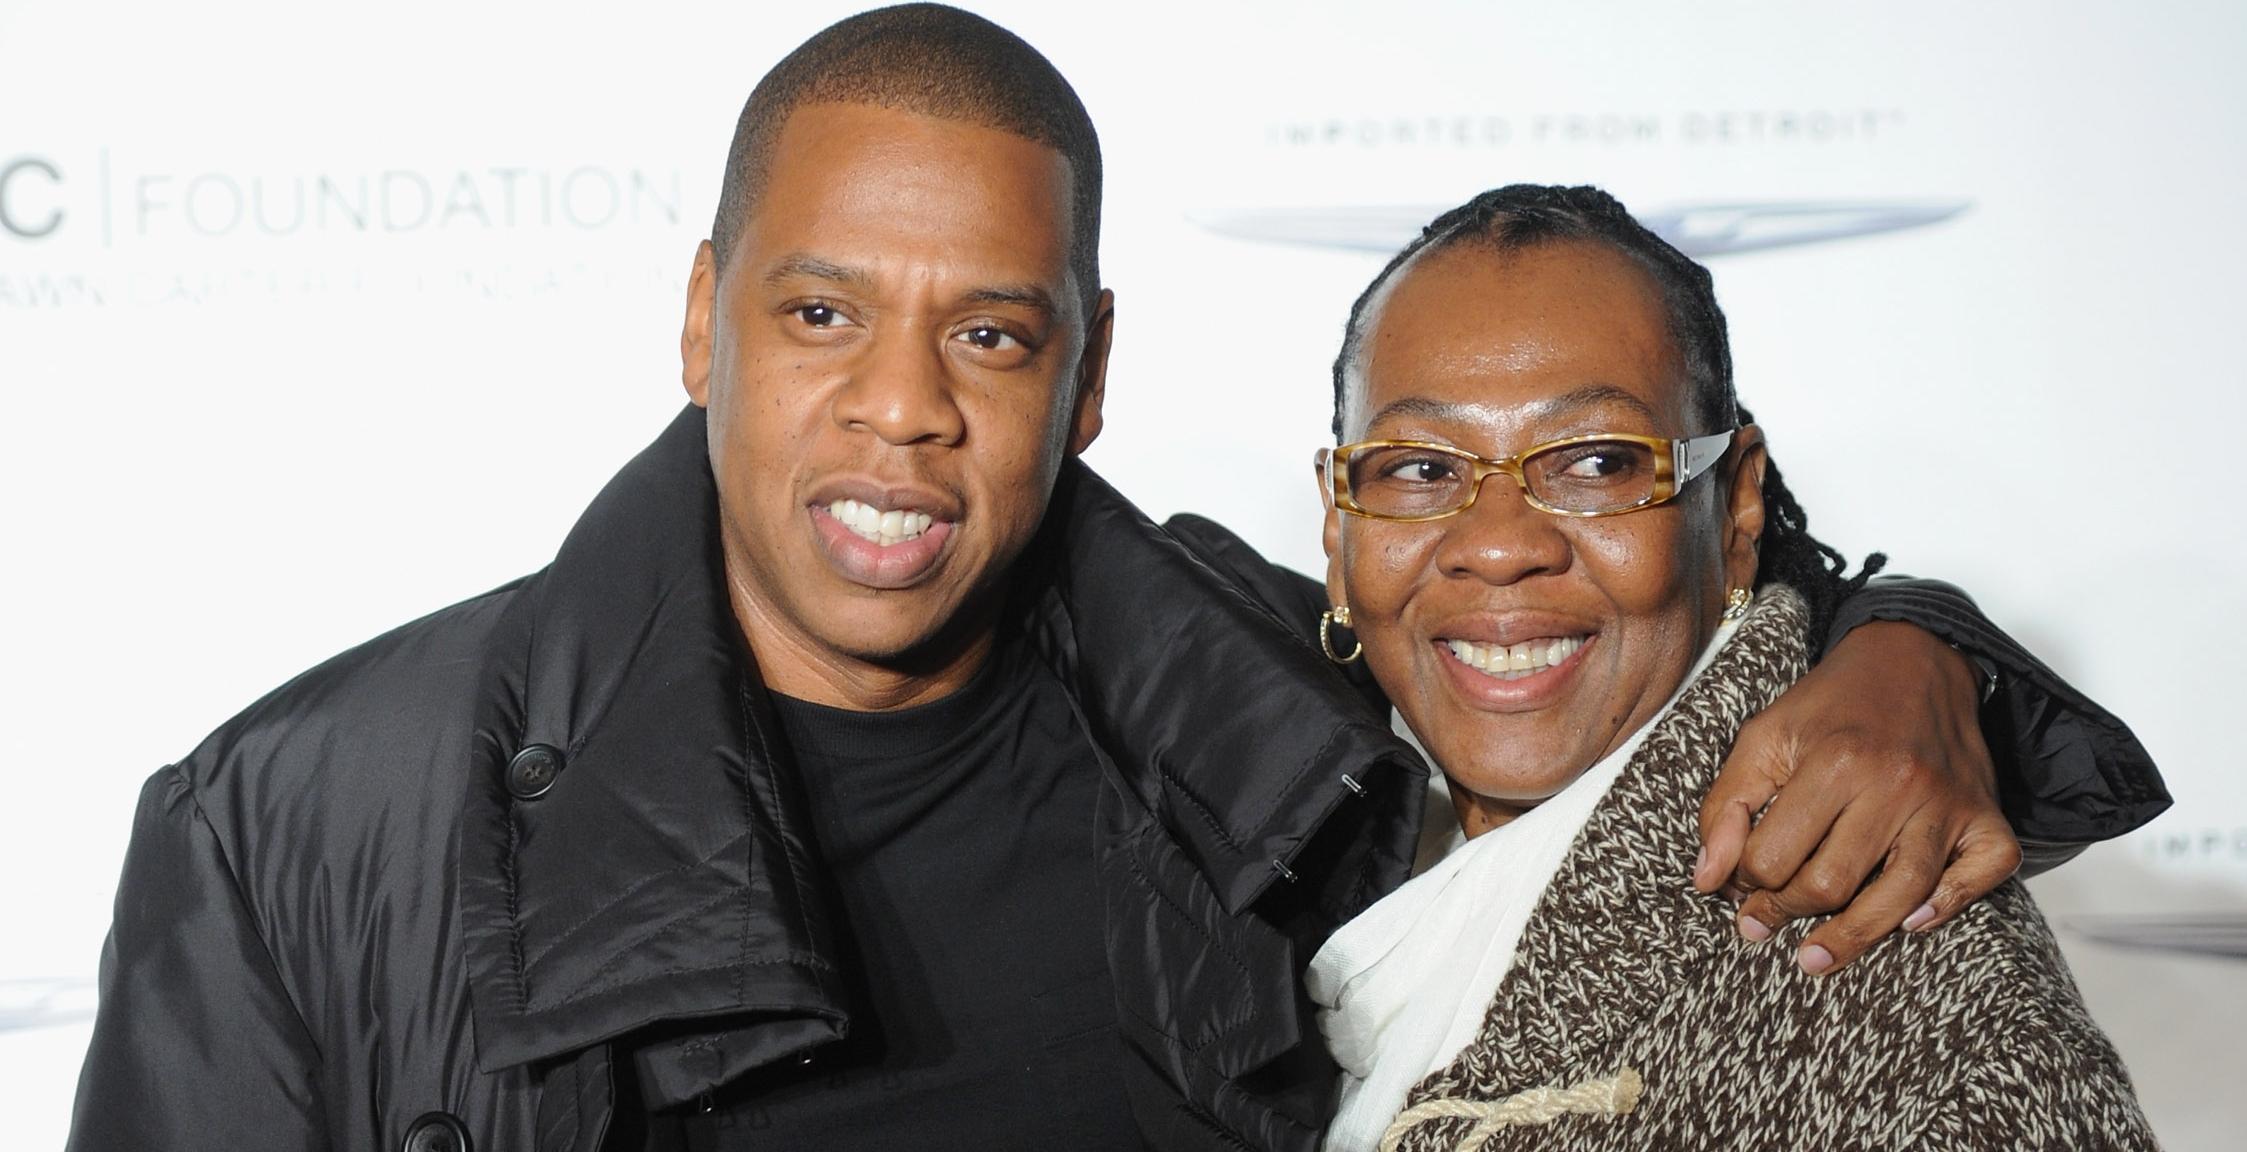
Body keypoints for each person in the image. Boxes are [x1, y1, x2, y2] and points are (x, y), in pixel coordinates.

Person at [65, 8, 2166, 1152]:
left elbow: (1589, 628)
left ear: (1084, 376)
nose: (902, 410)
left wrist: (1907, 651)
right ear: (701, 320)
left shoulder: (1253, 704)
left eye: (987, 332)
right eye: (819, 317)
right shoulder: (303, 826)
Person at [1303, 184, 2157, 1151]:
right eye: (1419, 469)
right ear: (1339, 526)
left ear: (1739, 505)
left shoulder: (1940, 1041)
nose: (1499, 547)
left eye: (1595, 462)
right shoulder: (1256, 825)